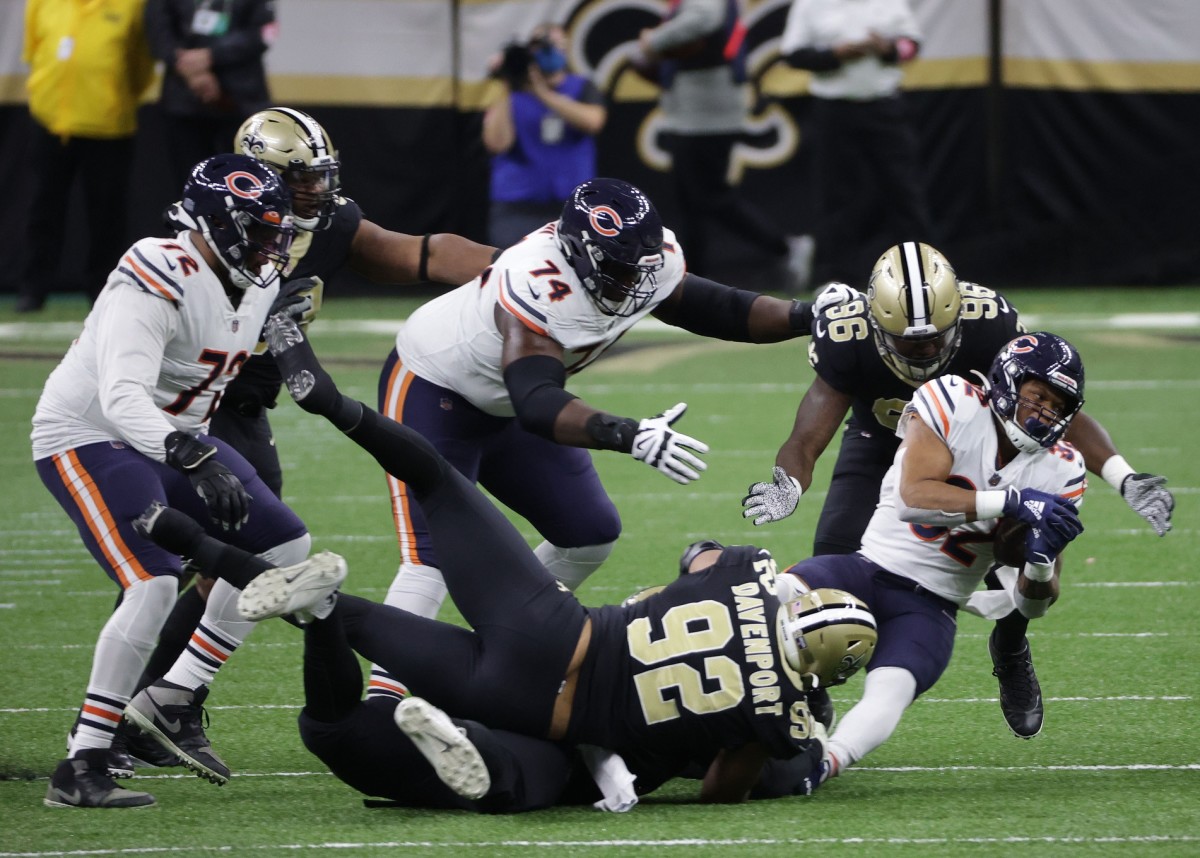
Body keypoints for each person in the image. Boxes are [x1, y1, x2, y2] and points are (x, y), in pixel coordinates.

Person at [156, 311, 876, 805]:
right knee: (485, 763)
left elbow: (700, 556)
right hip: (540, 709)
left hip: (554, 627)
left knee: (438, 479)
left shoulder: (745, 571)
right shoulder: (779, 715)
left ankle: (325, 411)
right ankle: (343, 641)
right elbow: (724, 787)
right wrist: (786, 716)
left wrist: (741, 592)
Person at [132, 107, 498, 712]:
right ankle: (130, 714)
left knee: (221, 564)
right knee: (173, 566)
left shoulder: (325, 224)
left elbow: (418, 253)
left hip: (246, 409)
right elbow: (182, 331)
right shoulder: (210, 234)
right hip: (192, 404)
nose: (316, 191)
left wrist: (513, 269)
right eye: (300, 179)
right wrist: (267, 317)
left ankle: (161, 702)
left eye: (320, 176)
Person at [376, 176, 838, 647]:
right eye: (621, 269)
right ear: (578, 253)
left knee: (588, 534)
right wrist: (627, 434)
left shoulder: (637, 264)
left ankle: (511, 634)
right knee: (430, 560)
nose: (636, 281)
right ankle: (382, 704)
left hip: (505, 401)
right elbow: (535, 401)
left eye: (643, 266)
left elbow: (717, 308)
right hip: (433, 387)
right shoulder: (535, 280)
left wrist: (806, 315)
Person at [742, 241, 1176, 737]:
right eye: (910, 342)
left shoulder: (990, 323)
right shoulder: (849, 333)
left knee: (1027, 551)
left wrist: (1124, 476)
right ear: (878, 327)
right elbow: (807, 434)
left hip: (974, 444)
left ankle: (1010, 645)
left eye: (937, 339)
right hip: (881, 442)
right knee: (834, 558)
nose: (927, 351)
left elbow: (1051, 408)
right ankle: (812, 682)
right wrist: (789, 482)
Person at [34, 154, 312, 808]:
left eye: (279, 234)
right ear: (214, 227)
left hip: (174, 438)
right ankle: (83, 762)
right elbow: (123, 396)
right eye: (260, 234)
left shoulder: (260, 282)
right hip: (90, 432)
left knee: (284, 546)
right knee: (153, 580)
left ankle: (174, 691)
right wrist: (195, 456)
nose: (273, 250)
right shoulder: (157, 271)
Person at [774, 332, 1089, 790]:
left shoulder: (1063, 468)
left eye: (1058, 406)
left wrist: (1039, 563)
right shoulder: (954, 400)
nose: (1045, 413)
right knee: (775, 594)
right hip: (866, 568)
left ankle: (823, 763)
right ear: (1007, 381)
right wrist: (1011, 501)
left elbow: (1035, 603)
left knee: (893, 689)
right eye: (1038, 396)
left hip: (931, 606)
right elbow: (914, 498)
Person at [637, 0, 813, 290]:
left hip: (708, 115)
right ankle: (690, 277)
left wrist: (653, 40)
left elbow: (702, 20)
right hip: (694, 113)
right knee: (691, 201)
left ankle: (785, 248)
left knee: (709, 196)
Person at [779, 0, 934, 286]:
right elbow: (793, 55)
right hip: (834, 109)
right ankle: (835, 277)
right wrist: (834, 54)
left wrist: (888, 49)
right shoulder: (811, 5)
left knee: (904, 192)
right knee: (835, 195)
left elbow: (911, 45)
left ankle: (921, 273)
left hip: (884, 106)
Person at [16, 0, 155, 313]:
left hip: (108, 127)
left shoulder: (131, 6)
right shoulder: (41, 3)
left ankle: (102, 289)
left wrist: (114, 100)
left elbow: (140, 67)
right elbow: (33, 53)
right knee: (42, 210)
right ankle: (33, 288)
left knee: (107, 216)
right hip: (50, 122)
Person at [482, 23, 607, 248]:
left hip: (571, 205)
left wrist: (542, 93)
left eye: (556, 45)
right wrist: (509, 82)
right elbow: (497, 143)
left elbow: (593, 122)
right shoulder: (512, 94)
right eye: (542, 45)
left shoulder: (581, 87)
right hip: (517, 206)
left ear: (566, 50)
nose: (549, 51)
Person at [144, 0, 278, 186]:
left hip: (241, 102)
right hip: (184, 102)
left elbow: (263, 33)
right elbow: (157, 31)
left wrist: (211, 55)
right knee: (191, 185)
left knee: (247, 184)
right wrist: (192, 72)